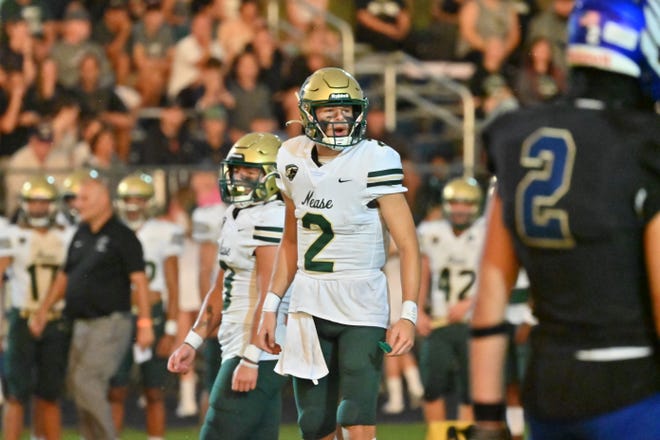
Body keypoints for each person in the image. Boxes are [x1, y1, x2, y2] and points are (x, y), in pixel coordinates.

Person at [468, 1, 660, 439]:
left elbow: (490, 299)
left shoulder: (515, 134)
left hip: (548, 389)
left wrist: (488, 419)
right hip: (633, 389)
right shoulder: (645, 145)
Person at [256, 67, 421, 440]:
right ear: (307, 114)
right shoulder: (290, 156)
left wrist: (407, 313)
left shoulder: (375, 159)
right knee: (314, 424)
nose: (340, 120)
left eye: (347, 111)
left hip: (361, 300)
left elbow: (409, 245)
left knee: (356, 415)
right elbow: (291, 240)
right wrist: (270, 306)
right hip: (308, 300)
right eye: (329, 112)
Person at [168, 132, 290, 439]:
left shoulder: (272, 215)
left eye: (250, 171)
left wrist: (251, 356)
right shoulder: (236, 213)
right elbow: (220, 286)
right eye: (236, 170)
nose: (239, 178)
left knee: (215, 433)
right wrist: (192, 340)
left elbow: (269, 294)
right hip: (237, 342)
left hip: (258, 349)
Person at [29, 170, 155, 440]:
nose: (77, 204)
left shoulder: (122, 236)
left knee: (87, 382)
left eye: (84, 198)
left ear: (102, 200)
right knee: (80, 386)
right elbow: (65, 276)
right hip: (80, 324)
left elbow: (140, 282)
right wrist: (42, 311)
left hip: (109, 324)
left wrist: (145, 323)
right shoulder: (81, 233)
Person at [109, 172, 183, 440]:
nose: (133, 205)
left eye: (139, 198)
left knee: (154, 391)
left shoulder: (165, 231)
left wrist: (171, 328)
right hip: (119, 314)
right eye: (128, 199)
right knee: (115, 389)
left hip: (154, 313)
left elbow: (173, 285)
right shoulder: (113, 232)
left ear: (149, 202)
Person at [0, 176, 74, 440]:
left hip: (55, 319)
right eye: (34, 202)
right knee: (16, 394)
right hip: (22, 316)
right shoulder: (11, 234)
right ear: (23, 204)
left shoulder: (67, 235)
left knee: (50, 394)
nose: (39, 208)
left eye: (44, 202)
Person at [416, 177, 485, 436]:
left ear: (476, 205)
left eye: (466, 203)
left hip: (474, 321)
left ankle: (465, 436)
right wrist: (418, 309)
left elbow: (495, 274)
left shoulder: (486, 231)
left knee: (471, 389)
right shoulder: (431, 231)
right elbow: (422, 271)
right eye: (455, 202)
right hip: (440, 320)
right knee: (432, 385)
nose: (460, 209)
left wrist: (471, 301)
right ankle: (438, 436)